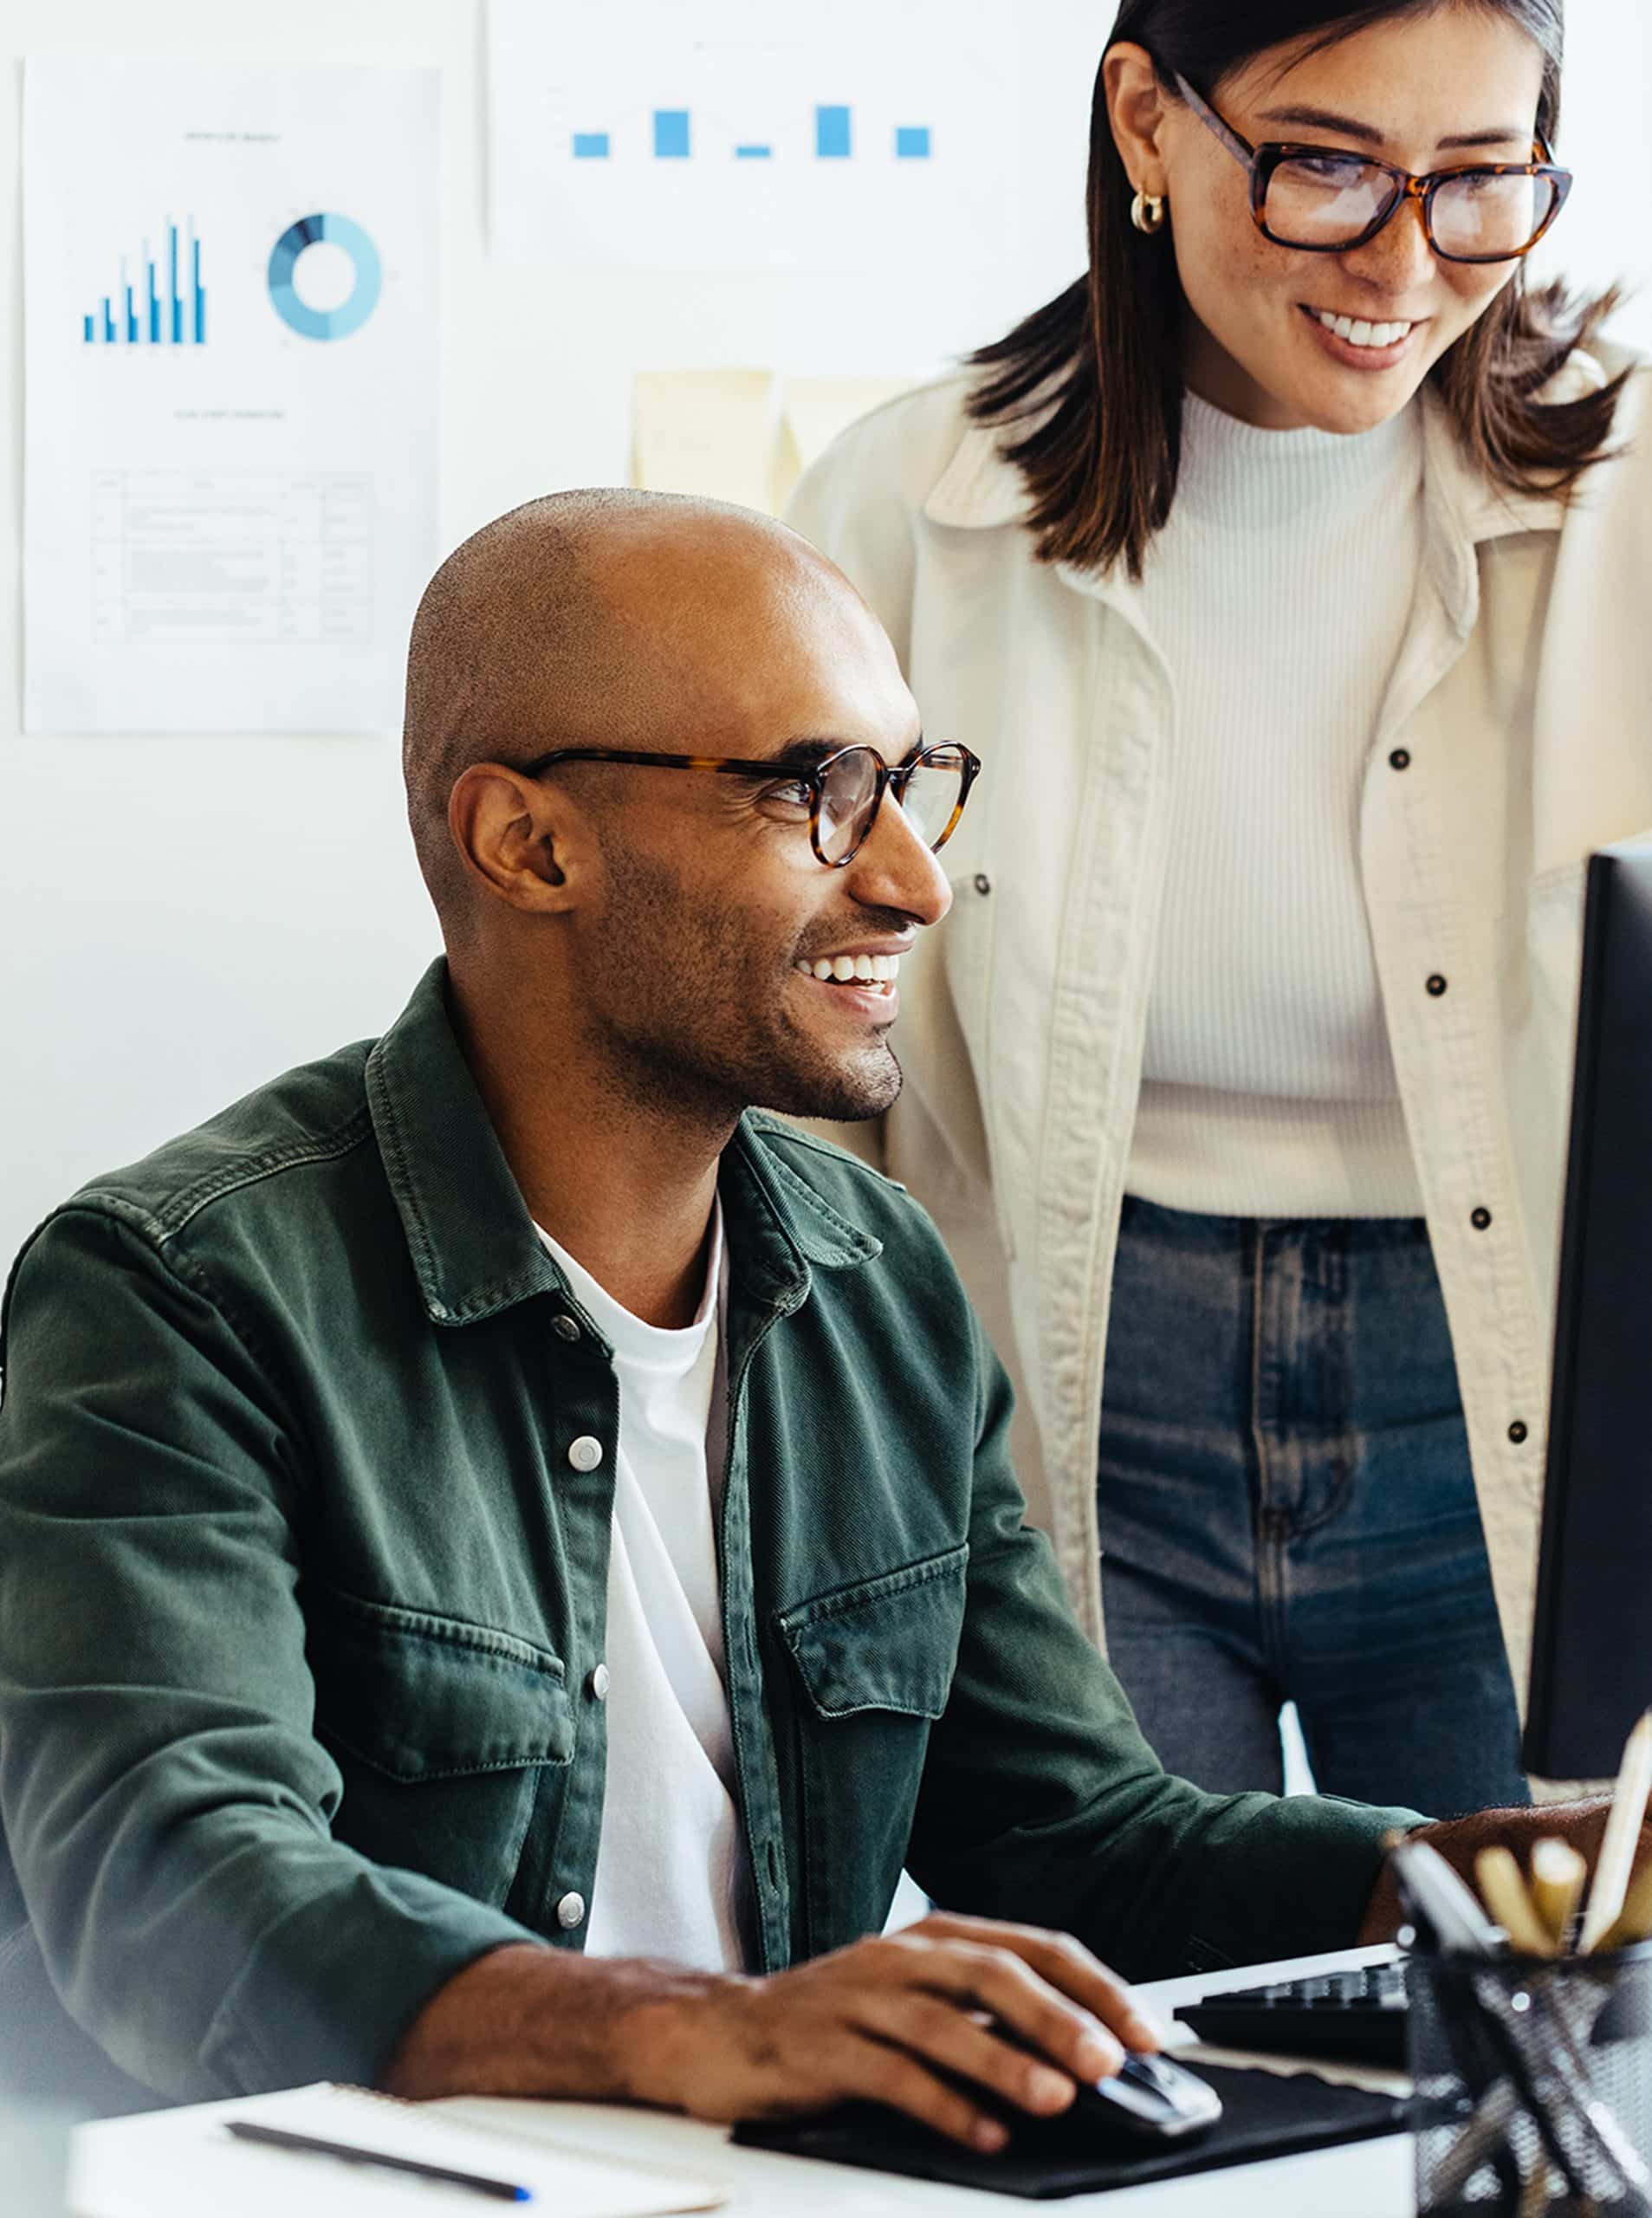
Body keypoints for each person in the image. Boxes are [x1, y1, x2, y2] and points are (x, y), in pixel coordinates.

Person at [0, 494, 1634, 2138]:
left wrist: (1499, 1879)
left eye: (911, 785)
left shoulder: (883, 1280)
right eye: (818, 792)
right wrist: (696, 2032)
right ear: (529, 843)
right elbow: (167, 1872)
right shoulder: (174, 1292)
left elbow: (1080, 1839)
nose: (918, 882)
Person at [787, 0, 1652, 1813]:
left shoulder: (1626, 500)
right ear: (1145, 123)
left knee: (1539, 2028)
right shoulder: (904, 507)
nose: (1407, 264)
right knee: (1158, 2037)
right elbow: (794, 1047)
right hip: (1076, 1387)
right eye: (1326, 164)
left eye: (1484, 181)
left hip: (1506, 1391)